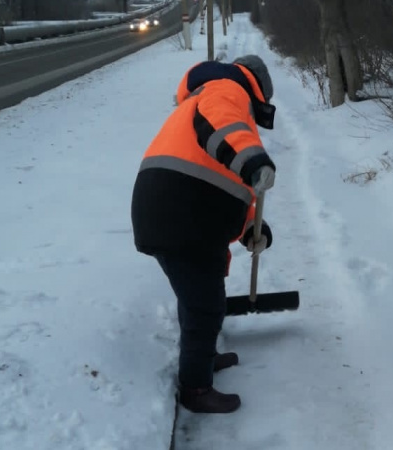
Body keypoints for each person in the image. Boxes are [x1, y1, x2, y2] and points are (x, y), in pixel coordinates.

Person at [130, 55, 277, 414]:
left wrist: (252, 229)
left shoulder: (209, 93)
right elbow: (220, 124)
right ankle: (195, 388)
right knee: (204, 305)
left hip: (182, 208)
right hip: (180, 208)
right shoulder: (226, 88)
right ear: (258, 86)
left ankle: (203, 357)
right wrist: (253, 160)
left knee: (198, 297)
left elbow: (228, 180)